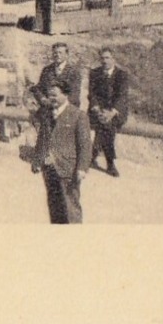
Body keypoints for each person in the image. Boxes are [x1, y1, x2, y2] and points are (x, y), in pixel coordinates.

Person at [33, 81, 92, 223]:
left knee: (71, 207)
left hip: (68, 169)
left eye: (55, 95)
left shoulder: (78, 115)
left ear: (65, 95)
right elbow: (42, 138)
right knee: (54, 206)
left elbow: (85, 145)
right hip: (49, 168)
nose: (51, 98)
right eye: (49, 95)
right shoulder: (46, 113)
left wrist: (82, 169)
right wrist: (37, 161)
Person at [87, 47, 131, 177]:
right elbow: (92, 94)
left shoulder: (122, 75)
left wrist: (111, 112)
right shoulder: (94, 73)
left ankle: (94, 153)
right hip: (98, 111)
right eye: (102, 58)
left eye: (107, 58)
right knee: (105, 125)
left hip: (116, 112)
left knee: (107, 124)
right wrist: (96, 108)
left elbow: (122, 96)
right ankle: (109, 163)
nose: (104, 61)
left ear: (113, 59)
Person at [29, 42, 83, 111]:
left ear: (66, 55)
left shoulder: (74, 72)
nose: (57, 55)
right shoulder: (47, 70)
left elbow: (74, 95)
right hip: (48, 108)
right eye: (55, 53)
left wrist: (58, 103)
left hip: (67, 110)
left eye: (60, 53)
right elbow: (39, 88)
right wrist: (42, 99)